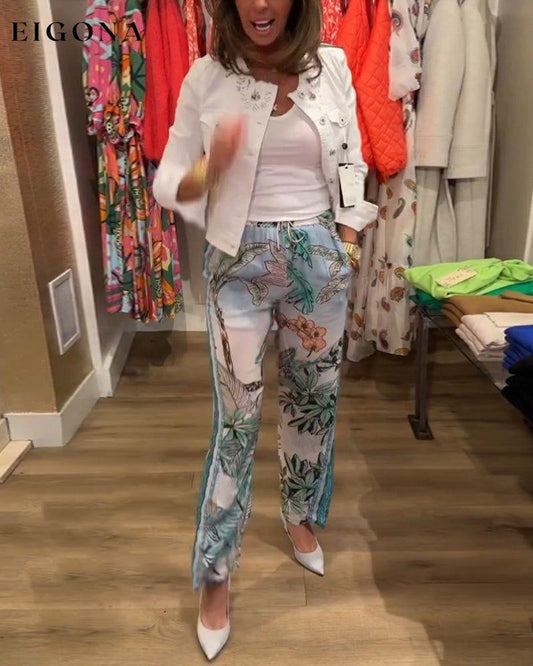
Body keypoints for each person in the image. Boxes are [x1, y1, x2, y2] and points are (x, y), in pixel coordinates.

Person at [153, 0, 377, 659]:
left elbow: (353, 160)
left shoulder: (331, 66)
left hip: (318, 258)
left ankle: (299, 516)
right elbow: (171, 183)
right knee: (237, 419)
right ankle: (216, 573)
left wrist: (346, 241)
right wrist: (212, 167)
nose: (259, 4)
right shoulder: (206, 76)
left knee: (313, 404)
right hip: (237, 262)